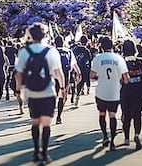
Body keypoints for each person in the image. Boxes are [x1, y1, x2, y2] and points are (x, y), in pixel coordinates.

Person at [14, 23, 63, 165]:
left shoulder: (24, 52)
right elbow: (58, 72)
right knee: (46, 124)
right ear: (45, 35)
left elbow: (18, 74)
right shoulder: (51, 51)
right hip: (48, 91)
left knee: (35, 123)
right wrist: (63, 87)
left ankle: (36, 151)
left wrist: (19, 90)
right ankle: (45, 152)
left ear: (31, 36)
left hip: (32, 92)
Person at [90, 37, 129, 151]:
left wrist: (99, 76)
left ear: (101, 46)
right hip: (114, 92)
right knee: (113, 116)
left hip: (101, 92)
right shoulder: (119, 59)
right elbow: (126, 79)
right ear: (112, 46)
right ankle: (112, 141)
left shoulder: (98, 58)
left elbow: (92, 75)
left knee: (102, 114)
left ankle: (105, 137)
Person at [120, 39, 142, 150]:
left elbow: (119, 80)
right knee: (137, 114)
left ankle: (126, 138)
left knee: (126, 115)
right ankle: (137, 135)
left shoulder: (121, 62)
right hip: (139, 93)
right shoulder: (140, 61)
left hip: (125, 93)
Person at [53, 36, 79, 124]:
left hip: (53, 77)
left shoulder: (51, 51)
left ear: (55, 43)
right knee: (62, 97)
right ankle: (59, 116)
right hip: (65, 77)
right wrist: (78, 73)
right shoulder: (68, 51)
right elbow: (73, 65)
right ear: (63, 42)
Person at [71, 36, 92, 106]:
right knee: (81, 83)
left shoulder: (75, 49)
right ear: (86, 42)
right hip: (84, 69)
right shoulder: (86, 50)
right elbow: (90, 60)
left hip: (75, 68)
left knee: (74, 82)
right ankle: (77, 96)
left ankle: (73, 96)